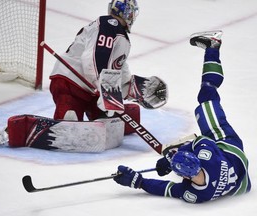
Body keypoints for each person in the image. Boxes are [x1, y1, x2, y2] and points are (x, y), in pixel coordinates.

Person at [113, 30, 251, 203]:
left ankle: (213, 46)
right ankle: (213, 47)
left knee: (205, 97)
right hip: (230, 148)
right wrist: (170, 159)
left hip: (239, 180)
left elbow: (167, 189)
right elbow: (199, 141)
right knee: (207, 94)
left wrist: (139, 181)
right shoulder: (204, 158)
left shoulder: (197, 194)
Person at [49, 0, 167, 124]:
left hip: (92, 89)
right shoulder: (109, 25)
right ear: (128, 13)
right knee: (69, 122)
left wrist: (130, 87)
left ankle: (96, 119)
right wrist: (106, 93)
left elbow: (117, 68)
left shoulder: (120, 35)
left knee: (111, 121)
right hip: (71, 83)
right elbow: (94, 59)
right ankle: (66, 122)